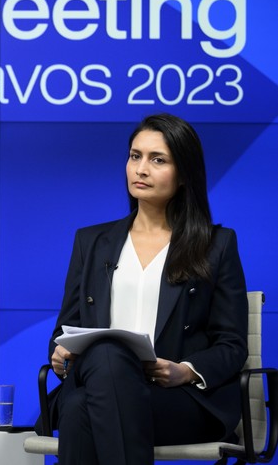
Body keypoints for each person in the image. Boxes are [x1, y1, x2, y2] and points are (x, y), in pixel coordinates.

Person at [41, 113, 248, 464]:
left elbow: (232, 343)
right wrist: (60, 354)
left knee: (79, 409)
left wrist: (184, 370)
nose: (141, 169)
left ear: (183, 175)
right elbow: (64, 330)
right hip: (99, 385)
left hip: (176, 399)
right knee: (104, 361)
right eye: (135, 156)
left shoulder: (216, 245)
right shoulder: (91, 242)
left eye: (158, 160)